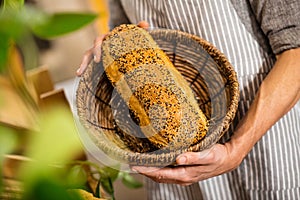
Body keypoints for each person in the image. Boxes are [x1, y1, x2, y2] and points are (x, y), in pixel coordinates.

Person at [77, 0, 300, 199]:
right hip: (168, 159)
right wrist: (115, 45)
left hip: (262, 137)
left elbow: (295, 53)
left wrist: (236, 148)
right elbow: (128, 31)